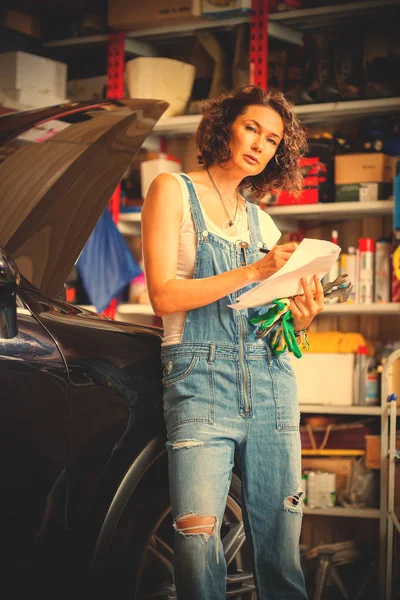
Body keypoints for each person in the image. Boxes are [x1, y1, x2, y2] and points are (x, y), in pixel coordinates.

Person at [141, 85, 324, 599]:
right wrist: (256, 266)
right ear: (223, 126)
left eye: (272, 140)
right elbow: (164, 296)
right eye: (252, 128)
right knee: (197, 543)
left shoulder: (260, 219)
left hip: (270, 383)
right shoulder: (171, 190)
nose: (260, 144)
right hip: (199, 380)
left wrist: (301, 319)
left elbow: (270, 325)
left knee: (280, 544)